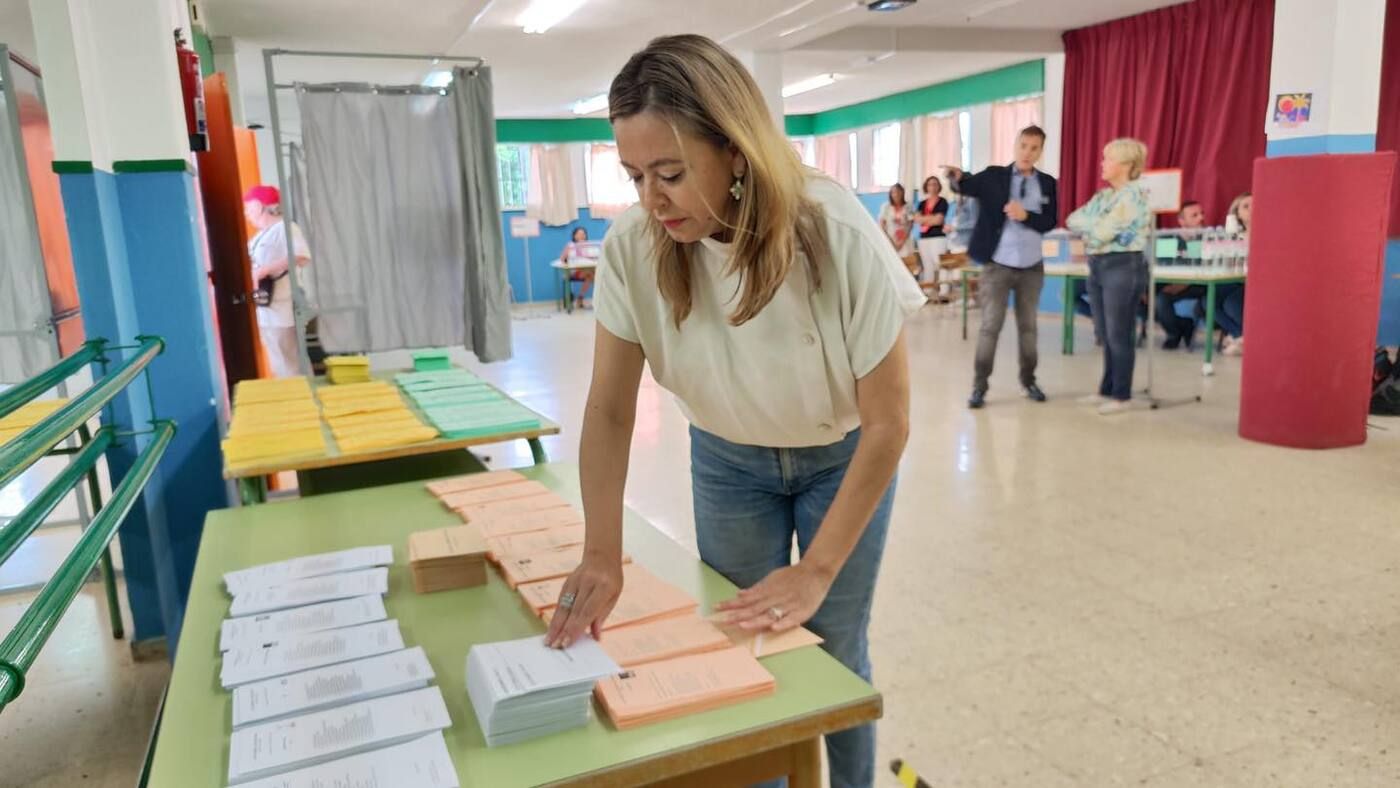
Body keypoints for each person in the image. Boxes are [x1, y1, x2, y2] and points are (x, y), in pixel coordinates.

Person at [543, 34, 924, 788]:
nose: (652, 199)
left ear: (737, 153)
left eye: (672, 174)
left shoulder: (832, 227)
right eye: (634, 175)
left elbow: (889, 422)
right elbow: (611, 409)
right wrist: (600, 550)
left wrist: (816, 571)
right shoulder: (633, 246)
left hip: (841, 459)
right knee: (737, 648)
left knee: (834, 646)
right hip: (727, 462)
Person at [946, 125, 1058, 409]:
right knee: (990, 326)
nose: (1027, 152)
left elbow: (1049, 222)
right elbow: (967, 185)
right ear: (1015, 145)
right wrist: (957, 178)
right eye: (1023, 145)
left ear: (1040, 151)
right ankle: (979, 386)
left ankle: (1029, 380)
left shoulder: (1047, 183)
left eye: (1034, 148)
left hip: (1032, 267)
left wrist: (1026, 215)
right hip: (997, 266)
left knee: (1028, 328)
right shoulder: (994, 176)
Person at [1067, 138, 1153, 415]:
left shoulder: (1134, 196)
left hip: (1123, 266)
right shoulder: (1104, 197)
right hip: (1098, 265)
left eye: (1108, 159)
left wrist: (1095, 227)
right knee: (1104, 331)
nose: (1103, 164)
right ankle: (1106, 388)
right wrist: (1098, 225)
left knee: (1119, 333)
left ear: (1126, 164)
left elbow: (1103, 232)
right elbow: (1072, 220)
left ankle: (1121, 395)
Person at [244, 185, 311, 378]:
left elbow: (301, 256)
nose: (247, 213)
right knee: (279, 362)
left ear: (258, 206)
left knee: (290, 363)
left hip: (283, 309)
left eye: (248, 208)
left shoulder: (286, 228)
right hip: (267, 310)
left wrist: (263, 271)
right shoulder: (260, 235)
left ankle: (302, 401)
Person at [1155, 200, 1208, 350]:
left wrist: (1183, 284)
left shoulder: (1207, 238)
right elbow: (1163, 265)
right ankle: (1182, 325)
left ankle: (1173, 334)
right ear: (1182, 221)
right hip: (1171, 283)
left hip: (1198, 284)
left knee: (1161, 299)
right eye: (1195, 215)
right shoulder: (1169, 238)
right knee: (1148, 298)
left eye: (1202, 214)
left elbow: (1200, 267)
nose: (1201, 218)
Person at [1217, 192, 1251, 356]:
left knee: (1231, 303)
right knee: (1207, 300)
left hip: (1254, 283)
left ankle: (1242, 338)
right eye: (1246, 206)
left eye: (1255, 204)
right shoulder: (1232, 236)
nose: (1252, 209)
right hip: (1233, 279)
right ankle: (1241, 335)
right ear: (1237, 214)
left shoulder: (1268, 233)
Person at [914, 176, 950, 296]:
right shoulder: (922, 203)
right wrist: (931, 219)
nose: (932, 187)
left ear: (939, 186)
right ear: (926, 187)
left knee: (939, 263)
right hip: (924, 238)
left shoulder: (942, 201)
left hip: (938, 237)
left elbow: (939, 221)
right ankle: (928, 291)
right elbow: (917, 219)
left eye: (935, 184)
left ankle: (944, 291)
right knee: (927, 265)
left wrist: (925, 220)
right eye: (930, 184)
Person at [878, 183, 918, 276]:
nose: (896, 194)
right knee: (892, 267)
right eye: (894, 192)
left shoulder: (908, 206)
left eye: (899, 192)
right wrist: (892, 242)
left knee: (907, 267)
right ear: (890, 194)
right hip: (890, 241)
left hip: (905, 242)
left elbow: (910, 225)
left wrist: (902, 242)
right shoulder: (886, 207)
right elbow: (882, 225)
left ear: (903, 193)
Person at [559, 225, 596, 309]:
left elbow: (593, 257)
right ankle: (584, 299)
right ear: (574, 236)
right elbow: (562, 259)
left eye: (583, 234)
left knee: (591, 275)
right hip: (574, 271)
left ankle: (580, 298)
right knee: (593, 275)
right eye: (579, 234)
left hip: (587, 270)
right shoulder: (570, 245)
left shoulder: (589, 245)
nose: (582, 236)